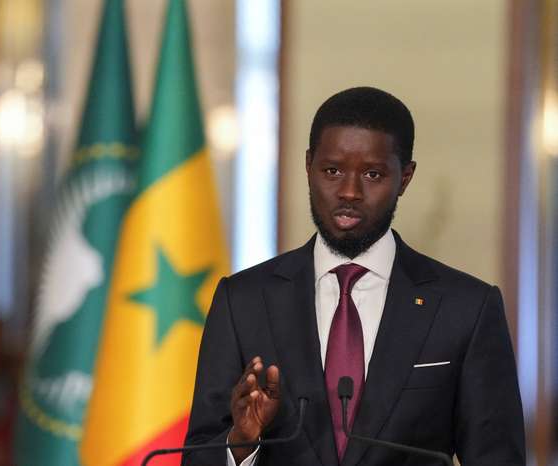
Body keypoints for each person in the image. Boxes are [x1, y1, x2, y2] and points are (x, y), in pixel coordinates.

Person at [182, 87, 525, 466]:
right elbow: (197, 454)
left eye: (373, 174)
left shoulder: (466, 308)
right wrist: (240, 443)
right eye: (332, 170)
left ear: (405, 177)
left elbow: (498, 457)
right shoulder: (242, 300)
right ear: (308, 166)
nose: (349, 191)